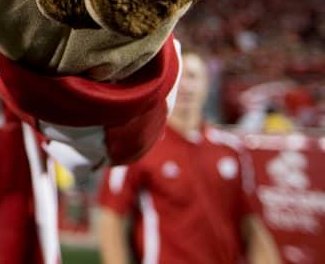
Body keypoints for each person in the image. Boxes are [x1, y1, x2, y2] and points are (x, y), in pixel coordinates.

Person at [97, 50, 281, 264]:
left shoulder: (231, 149)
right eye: (179, 76)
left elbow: (251, 225)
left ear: (206, 85)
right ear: (168, 83)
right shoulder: (139, 145)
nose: (185, 85)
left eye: (193, 76)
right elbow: (111, 218)